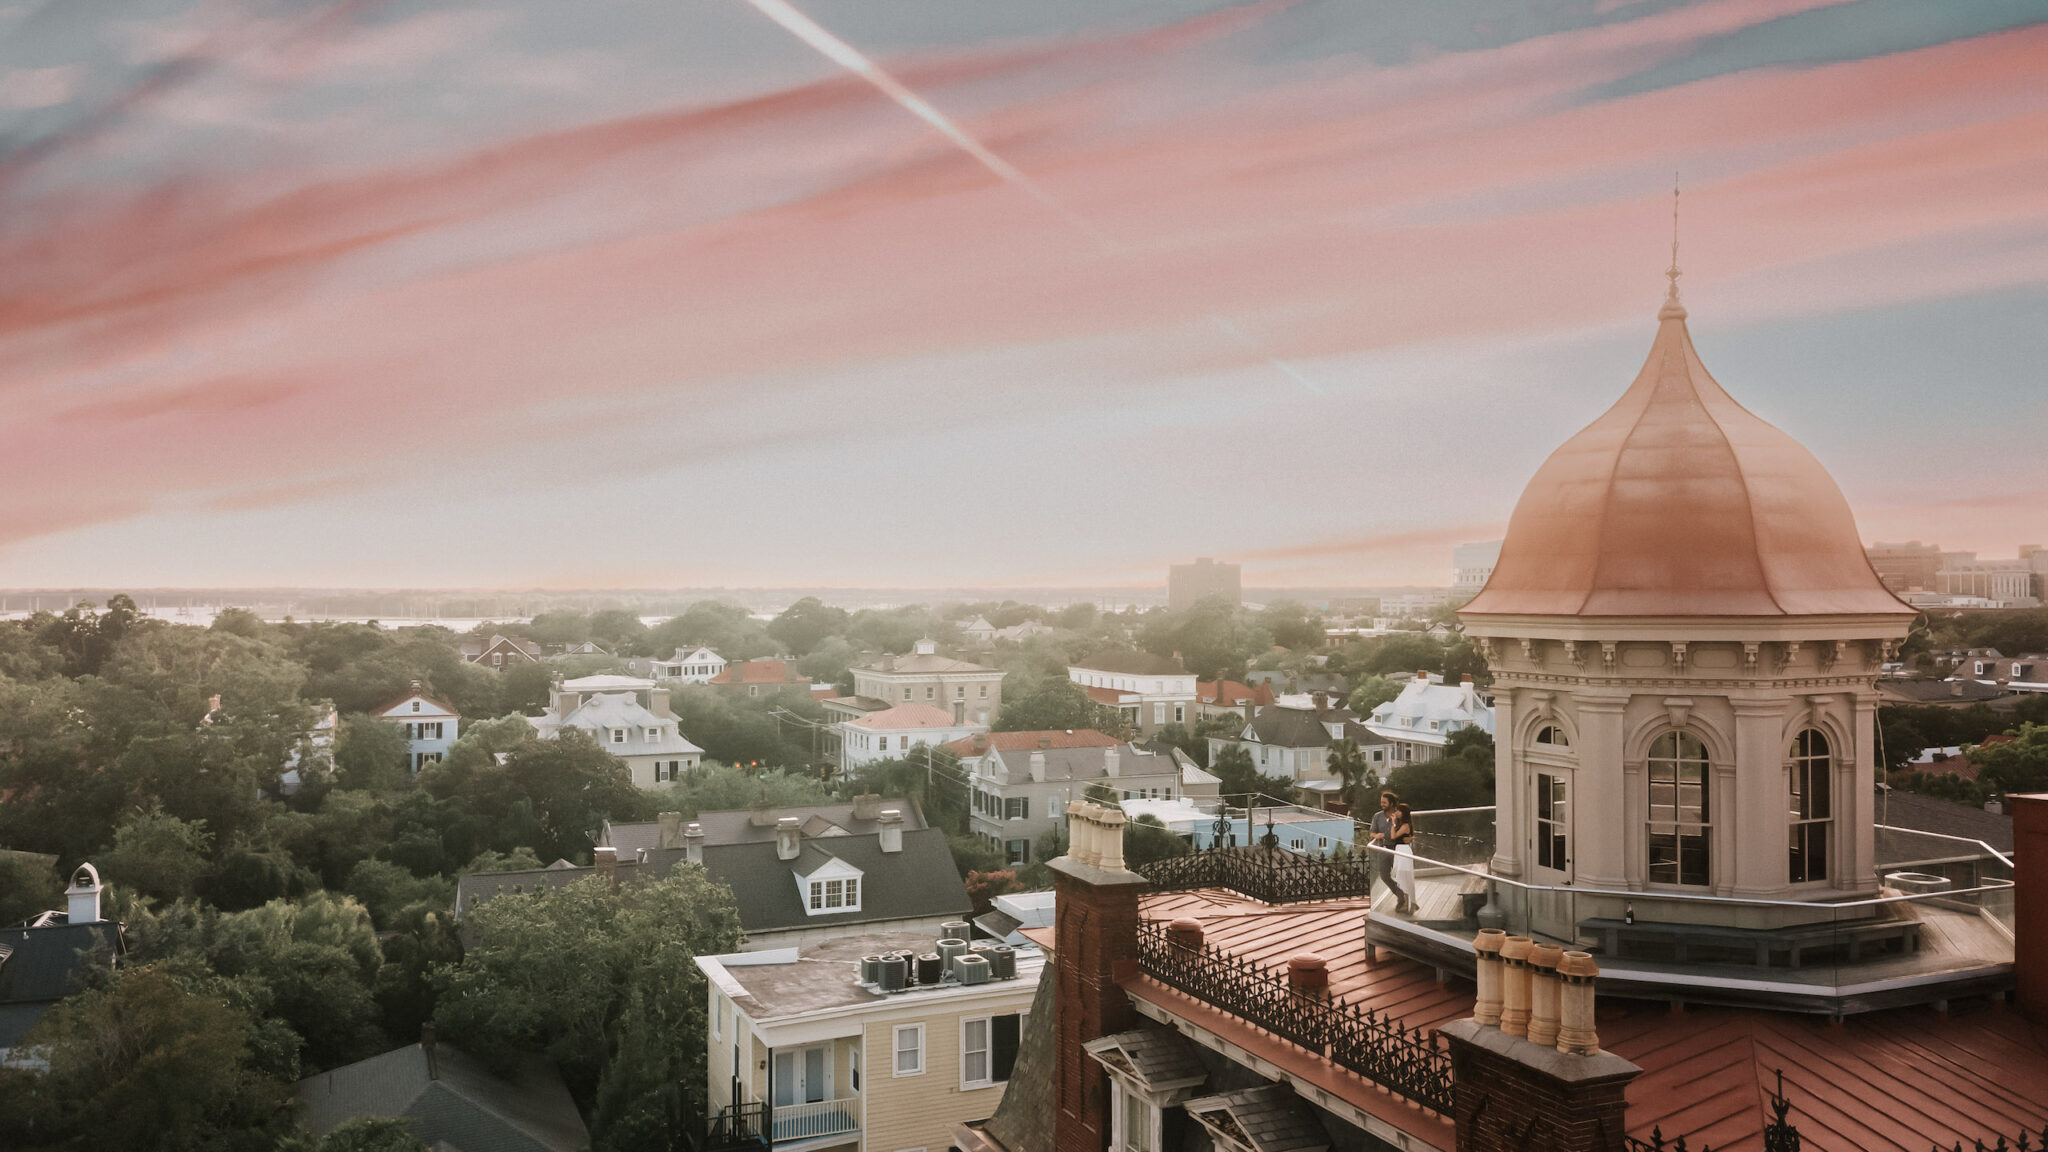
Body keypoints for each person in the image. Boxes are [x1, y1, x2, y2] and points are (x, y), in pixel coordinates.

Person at [1367, 791, 1407, 913]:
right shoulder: (1377, 816)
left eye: (1384, 802)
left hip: (1398, 850)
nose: (1382, 804)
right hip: (1383, 849)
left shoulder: (1399, 815)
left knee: (1401, 876)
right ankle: (1401, 895)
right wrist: (1377, 835)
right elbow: (1371, 833)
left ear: (1391, 803)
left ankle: (1404, 900)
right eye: (1381, 802)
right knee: (1384, 876)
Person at [1391, 803, 1417, 915]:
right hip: (1400, 851)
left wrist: (1393, 823)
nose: (1396, 813)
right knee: (1403, 877)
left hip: (1403, 852)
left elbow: (1393, 836)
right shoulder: (1403, 824)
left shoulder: (1405, 825)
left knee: (1405, 877)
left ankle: (1410, 904)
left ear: (1403, 813)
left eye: (1398, 811)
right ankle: (1409, 903)